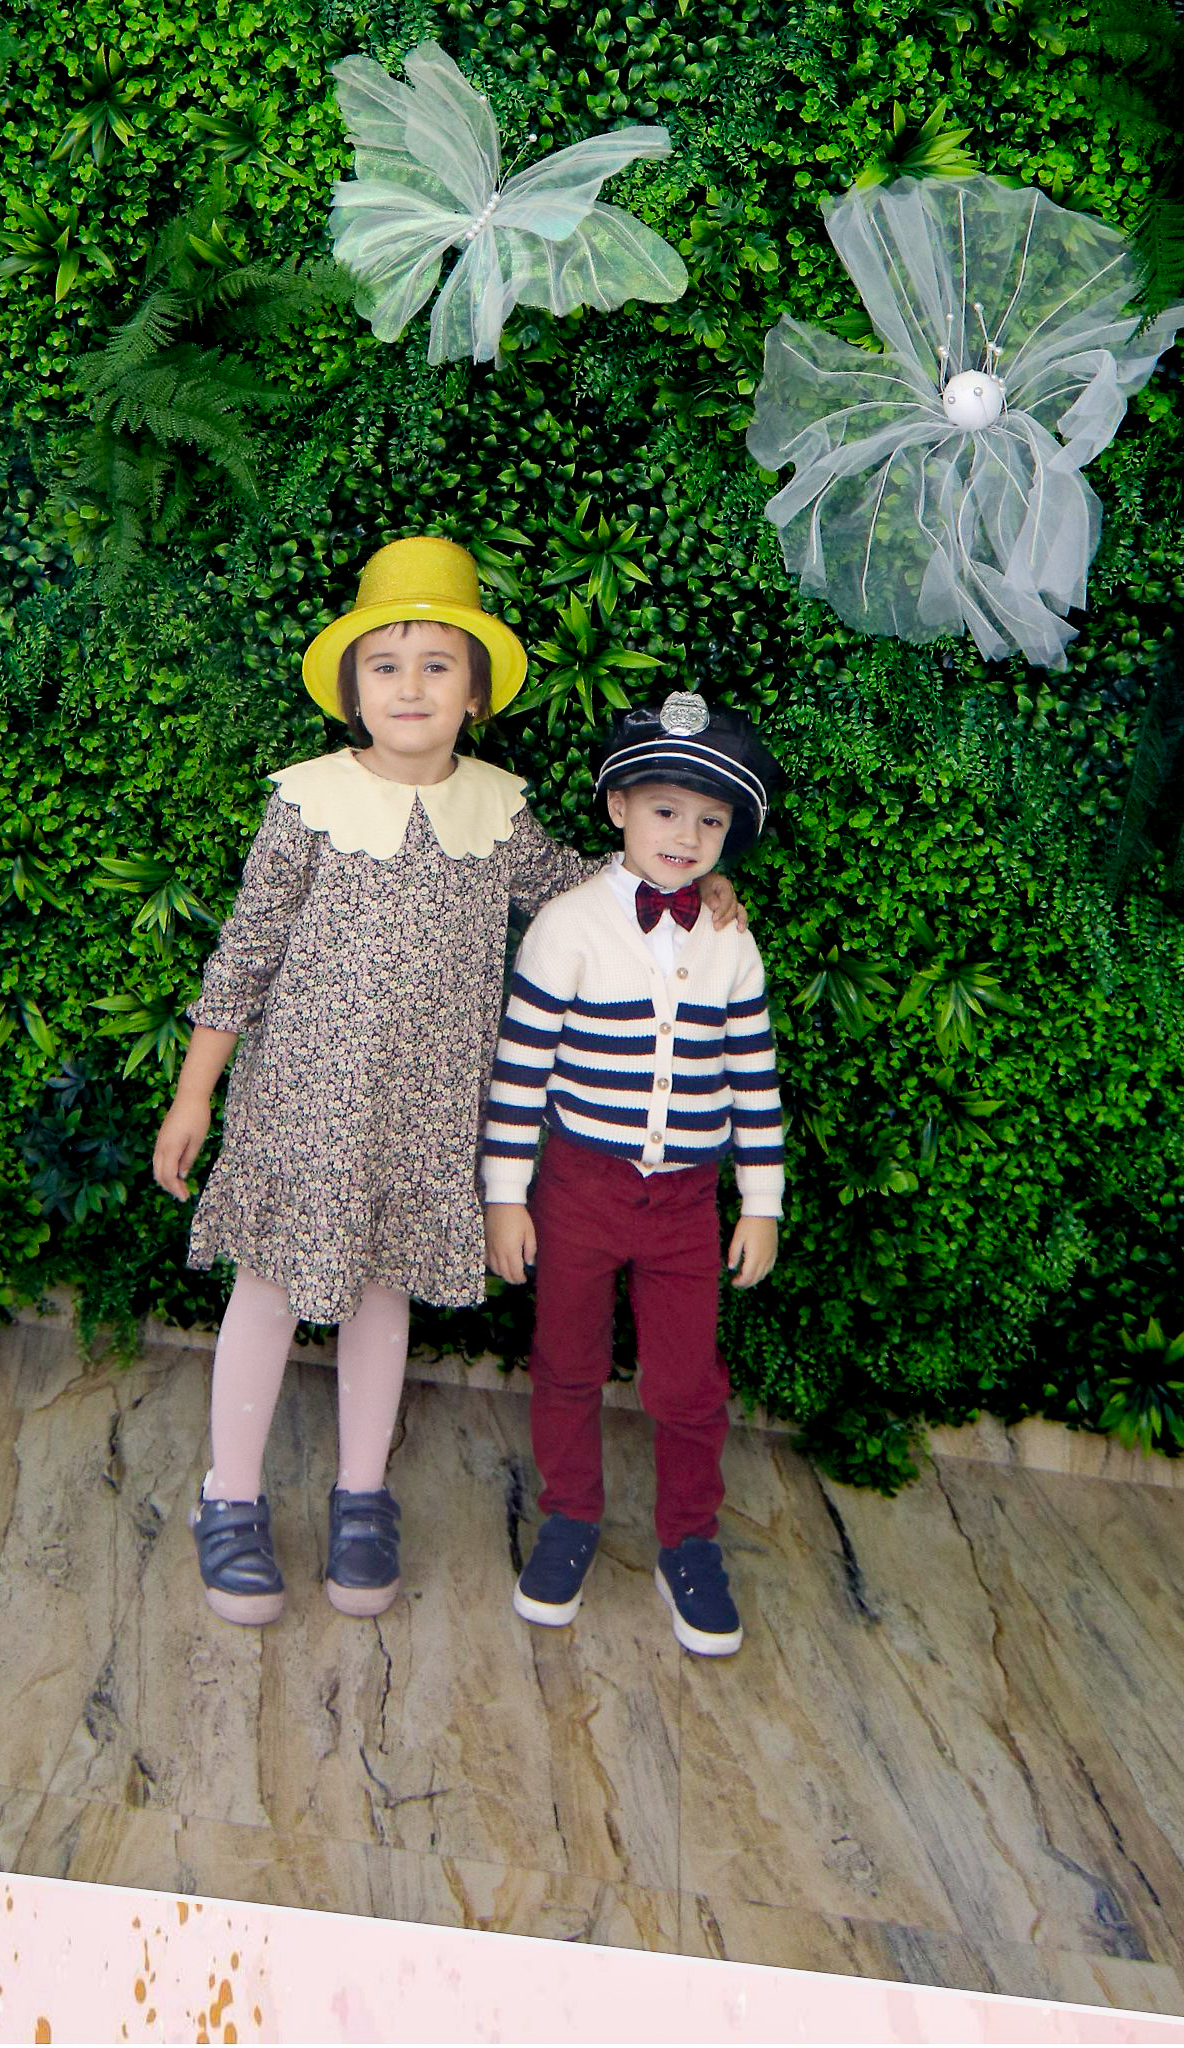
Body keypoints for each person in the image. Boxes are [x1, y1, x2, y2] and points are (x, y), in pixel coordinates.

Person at [150, 538, 744, 1627]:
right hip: (303, 1111)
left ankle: (361, 1496)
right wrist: (195, 1094)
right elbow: (244, 954)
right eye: (386, 666)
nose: (411, 686)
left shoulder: (499, 812)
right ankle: (228, 1497)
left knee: (385, 1296)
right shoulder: (307, 802)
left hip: (427, 1117)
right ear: (353, 692)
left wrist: (689, 886)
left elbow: (583, 889)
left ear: (474, 695)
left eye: (437, 666)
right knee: (267, 1290)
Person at [481, 690, 784, 1658]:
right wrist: (505, 1196)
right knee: (567, 1362)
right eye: (664, 810)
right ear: (618, 808)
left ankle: (689, 1541)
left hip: (687, 1201)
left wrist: (762, 1203)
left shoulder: (730, 938)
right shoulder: (567, 925)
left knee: (689, 1382)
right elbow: (520, 1072)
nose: (685, 837)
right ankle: (569, 1519)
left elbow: (754, 1076)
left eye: (710, 821)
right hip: (579, 1188)